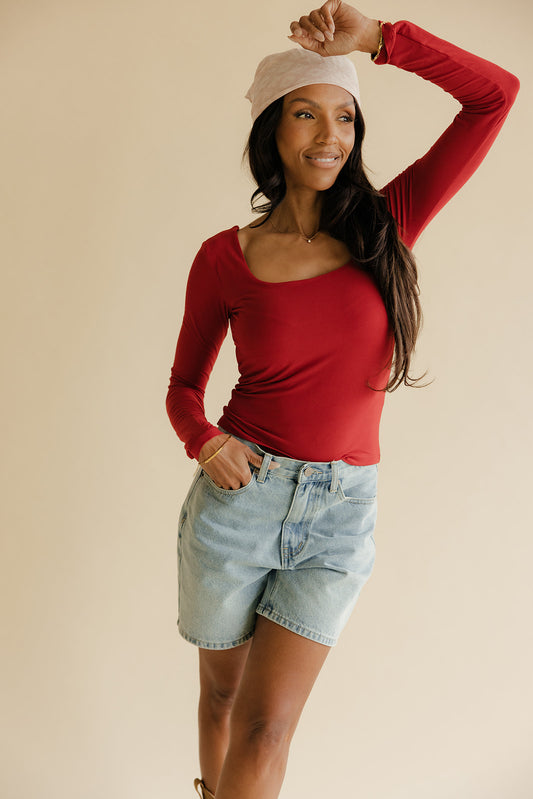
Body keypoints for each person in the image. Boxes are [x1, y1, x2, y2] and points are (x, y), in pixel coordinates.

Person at [165, 3, 519, 797]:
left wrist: (383, 42)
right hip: (239, 502)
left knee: (267, 725)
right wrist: (204, 439)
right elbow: (184, 386)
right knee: (221, 696)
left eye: (345, 118)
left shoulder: (386, 226)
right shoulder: (225, 257)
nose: (330, 135)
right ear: (270, 131)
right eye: (305, 114)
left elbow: (496, 94)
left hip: (338, 511)